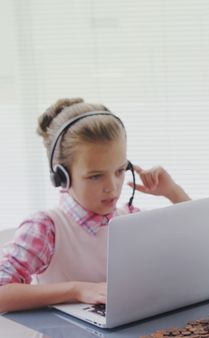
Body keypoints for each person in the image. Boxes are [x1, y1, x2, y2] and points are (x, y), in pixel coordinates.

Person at [0, 98, 190, 313]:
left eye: (119, 171)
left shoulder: (130, 218)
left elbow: (198, 251)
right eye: (96, 176)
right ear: (62, 177)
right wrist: (76, 290)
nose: (112, 187)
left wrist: (173, 192)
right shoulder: (47, 227)